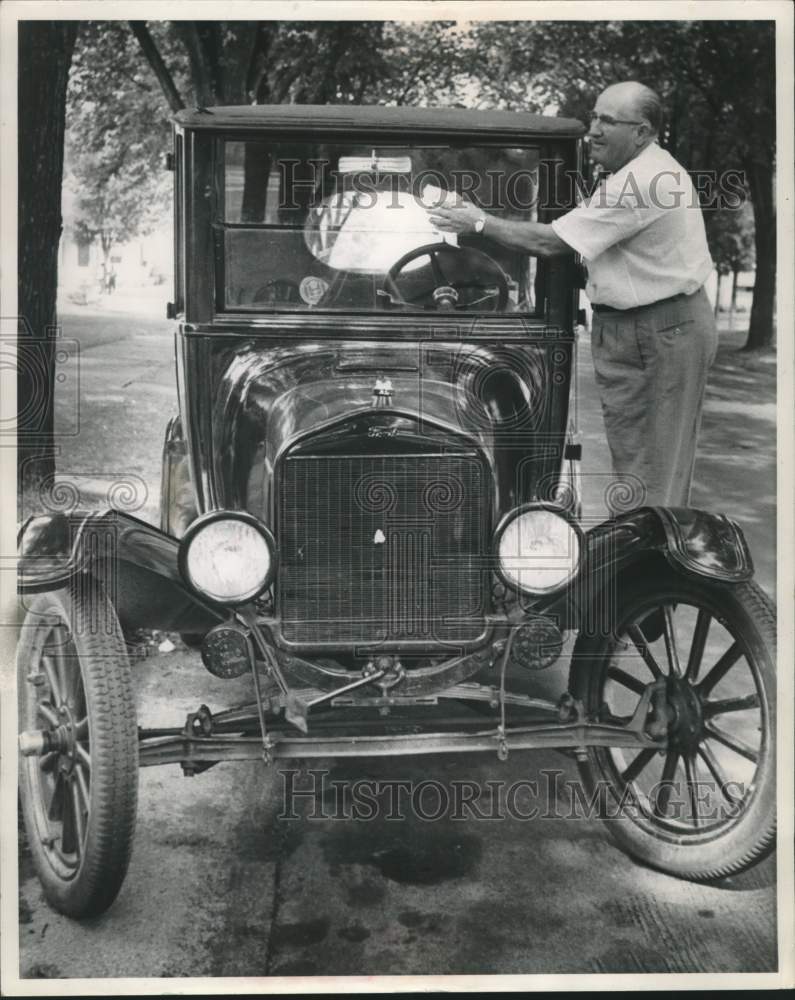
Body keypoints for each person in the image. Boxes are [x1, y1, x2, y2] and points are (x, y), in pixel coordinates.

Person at [428, 81, 718, 511]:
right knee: (640, 462)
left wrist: (477, 222)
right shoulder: (634, 173)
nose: (594, 131)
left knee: (651, 473)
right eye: (594, 118)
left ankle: (650, 568)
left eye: (607, 121)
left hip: (659, 331)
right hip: (653, 326)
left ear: (642, 132)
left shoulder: (642, 182)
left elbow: (552, 243)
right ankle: (644, 555)